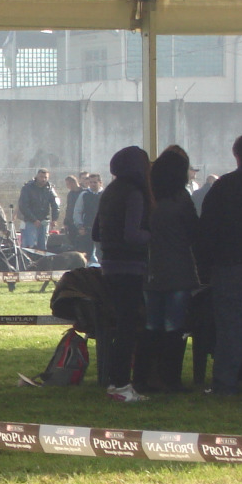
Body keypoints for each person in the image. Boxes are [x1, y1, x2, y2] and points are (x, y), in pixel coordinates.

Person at [196, 132, 242, 396]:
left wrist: (204, 268)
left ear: (236, 155)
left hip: (232, 268)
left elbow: (207, 230)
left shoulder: (224, 186)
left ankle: (225, 384)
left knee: (231, 330)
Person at [92, 146, 153, 403]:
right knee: (129, 328)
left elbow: (96, 232)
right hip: (130, 267)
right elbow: (132, 235)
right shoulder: (135, 194)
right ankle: (120, 384)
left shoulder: (110, 192)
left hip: (109, 265)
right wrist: (154, 234)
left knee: (120, 326)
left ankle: (115, 382)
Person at [144, 145, 199, 392]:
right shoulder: (181, 199)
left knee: (151, 326)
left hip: (151, 271)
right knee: (174, 328)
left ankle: (148, 376)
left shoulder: (148, 199)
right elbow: (194, 232)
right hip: (178, 269)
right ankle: (170, 379)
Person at [18, 168, 60, 251]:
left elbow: (56, 204)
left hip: (44, 221)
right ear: (37, 176)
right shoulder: (27, 188)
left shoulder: (49, 188)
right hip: (30, 221)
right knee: (30, 246)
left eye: (45, 177)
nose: (43, 179)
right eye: (41, 177)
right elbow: (23, 206)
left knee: (42, 247)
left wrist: (54, 219)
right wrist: (34, 220)